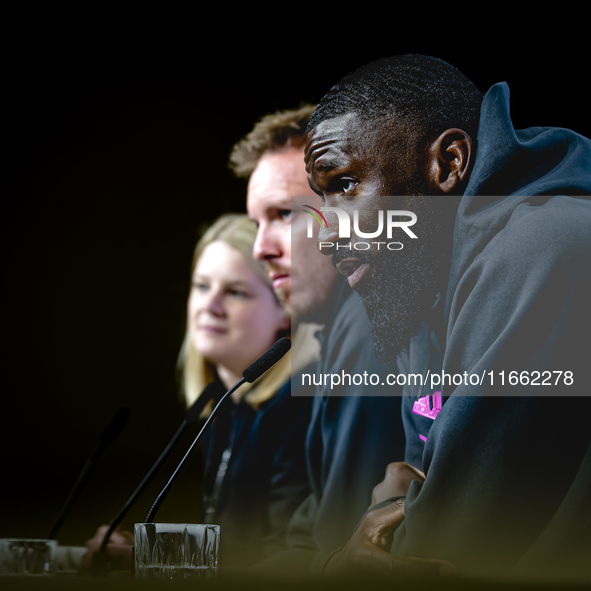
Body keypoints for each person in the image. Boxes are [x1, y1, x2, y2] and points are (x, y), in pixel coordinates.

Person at [303, 54, 591, 581]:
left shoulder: (544, 248)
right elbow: (412, 510)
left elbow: (441, 548)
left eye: (344, 184)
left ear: (449, 163)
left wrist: (340, 564)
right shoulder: (423, 285)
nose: (325, 236)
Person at [231, 105, 409, 574]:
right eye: (256, 223)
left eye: (284, 215)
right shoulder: (336, 332)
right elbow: (312, 542)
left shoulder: (366, 323)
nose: (260, 249)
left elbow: (335, 546)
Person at [82, 213, 316, 572]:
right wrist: (144, 548)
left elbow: (286, 555)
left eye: (235, 291)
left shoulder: (298, 408)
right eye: (202, 286)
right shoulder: (223, 406)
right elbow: (231, 540)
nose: (210, 305)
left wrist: (152, 557)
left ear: (286, 309)